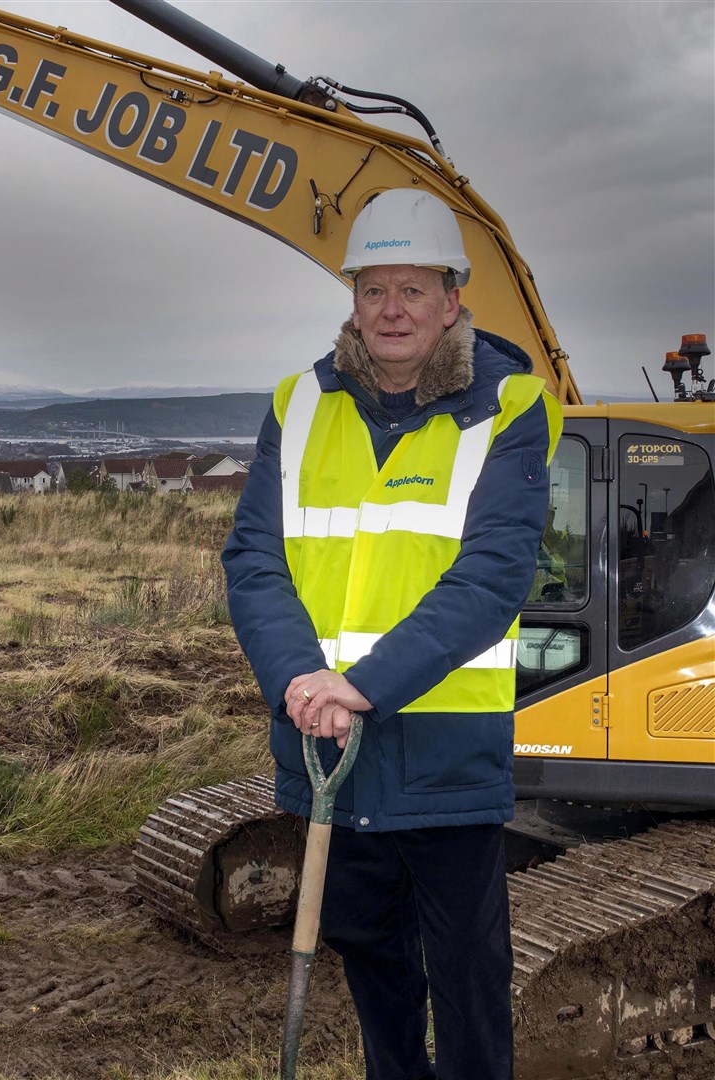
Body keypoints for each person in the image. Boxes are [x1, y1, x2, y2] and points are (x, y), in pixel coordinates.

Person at [222, 189, 560, 1079]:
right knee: (370, 959)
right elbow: (256, 560)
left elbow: (491, 579)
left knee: (468, 981)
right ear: (354, 301)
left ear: (453, 299)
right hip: (331, 750)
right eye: (375, 290)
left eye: (414, 289)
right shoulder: (299, 406)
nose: (393, 309)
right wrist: (301, 679)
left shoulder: (509, 409)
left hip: (445, 752)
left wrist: (360, 684)